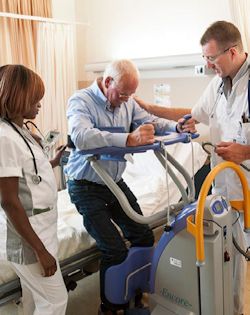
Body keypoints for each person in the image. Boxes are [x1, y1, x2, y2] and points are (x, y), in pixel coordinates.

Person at [135, 20, 249, 315]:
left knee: (244, 275)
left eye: (212, 58)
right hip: (225, 195)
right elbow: (192, 113)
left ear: (233, 52)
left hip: (247, 194)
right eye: (205, 59)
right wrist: (149, 107)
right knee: (230, 272)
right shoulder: (217, 85)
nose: (209, 64)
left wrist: (245, 151)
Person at [66, 59, 196, 315]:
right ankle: (111, 307)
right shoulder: (80, 101)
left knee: (143, 235)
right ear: (107, 82)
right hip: (85, 186)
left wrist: (176, 126)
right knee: (113, 249)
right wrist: (128, 138)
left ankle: (136, 289)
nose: (127, 100)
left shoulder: (128, 102)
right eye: (123, 93)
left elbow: (151, 121)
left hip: (114, 182)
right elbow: (81, 136)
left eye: (131, 94)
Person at [0, 64, 68, 315]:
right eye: (35, 98)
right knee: (55, 301)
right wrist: (40, 250)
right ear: (17, 96)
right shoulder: (4, 137)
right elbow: (8, 201)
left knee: (32, 299)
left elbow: (24, 177)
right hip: (29, 239)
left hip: (40, 228)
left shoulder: (19, 130)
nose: (39, 104)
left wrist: (52, 163)